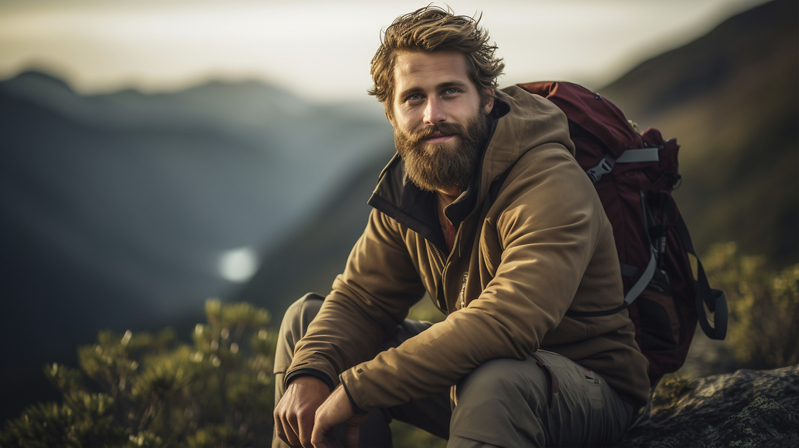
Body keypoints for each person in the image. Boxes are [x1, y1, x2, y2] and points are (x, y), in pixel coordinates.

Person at [273, 6, 650, 448]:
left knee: (498, 380)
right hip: (478, 381)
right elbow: (361, 300)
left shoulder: (549, 180)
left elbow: (509, 322)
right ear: (392, 113)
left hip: (587, 392)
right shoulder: (414, 186)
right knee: (309, 325)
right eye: (413, 97)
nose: (433, 113)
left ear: (486, 98)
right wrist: (312, 373)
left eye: (450, 91)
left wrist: (359, 388)